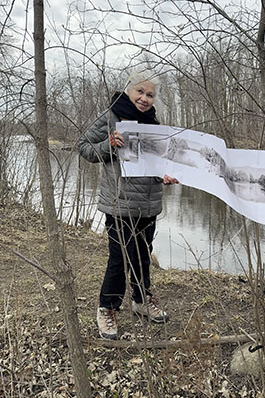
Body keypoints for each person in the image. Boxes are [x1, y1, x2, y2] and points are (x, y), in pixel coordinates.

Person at [77, 70, 178, 340]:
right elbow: (84, 147)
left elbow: (157, 164)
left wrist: (165, 175)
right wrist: (108, 144)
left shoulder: (154, 124)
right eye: (140, 92)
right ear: (129, 91)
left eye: (150, 95)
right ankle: (107, 308)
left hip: (149, 205)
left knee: (143, 256)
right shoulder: (112, 115)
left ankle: (141, 300)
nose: (144, 99)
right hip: (119, 204)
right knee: (119, 259)